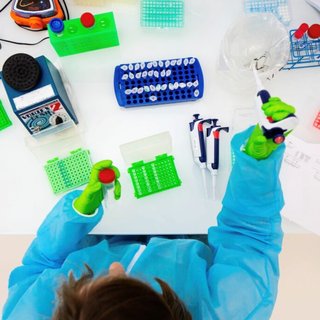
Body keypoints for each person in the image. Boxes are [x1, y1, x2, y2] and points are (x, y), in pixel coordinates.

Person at [2, 98, 296, 320]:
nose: (115, 267)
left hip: (105, 235)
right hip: (192, 241)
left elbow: (36, 266)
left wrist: (75, 215)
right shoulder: (233, 307)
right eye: (127, 282)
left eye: (89, 282)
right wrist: (256, 163)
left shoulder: (31, 312)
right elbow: (250, 238)